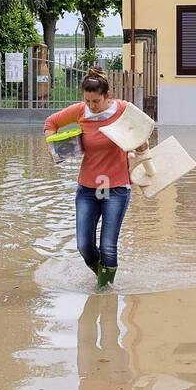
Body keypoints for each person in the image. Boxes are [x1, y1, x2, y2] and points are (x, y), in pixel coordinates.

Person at [44, 66, 148, 288]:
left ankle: (103, 291)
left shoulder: (123, 110)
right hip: (87, 189)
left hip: (117, 187)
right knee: (85, 246)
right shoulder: (80, 111)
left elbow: (142, 135)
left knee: (108, 245)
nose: (91, 106)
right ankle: (103, 277)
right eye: (87, 101)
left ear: (107, 96)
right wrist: (54, 146)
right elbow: (50, 123)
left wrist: (142, 145)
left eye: (96, 102)